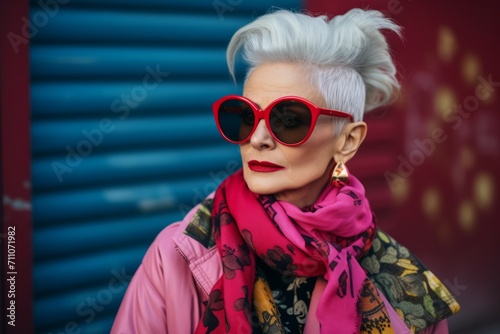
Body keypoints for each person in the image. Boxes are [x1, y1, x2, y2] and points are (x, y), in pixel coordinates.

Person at [111, 8, 459, 334]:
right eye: (246, 116)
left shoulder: (407, 285)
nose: (258, 138)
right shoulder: (176, 256)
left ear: (348, 141)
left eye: (288, 120)